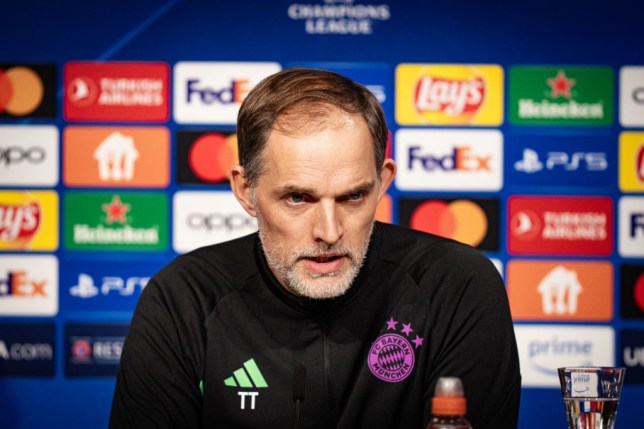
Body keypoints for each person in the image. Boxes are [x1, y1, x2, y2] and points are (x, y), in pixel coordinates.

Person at [109, 68, 521, 428]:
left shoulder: (456, 286)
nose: (328, 231)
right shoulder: (185, 298)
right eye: (298, 199)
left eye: (353, 197)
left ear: (383, 182)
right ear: (245, 190)